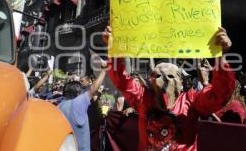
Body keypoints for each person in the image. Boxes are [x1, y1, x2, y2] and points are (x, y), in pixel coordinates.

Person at [103, 26, 235, 151]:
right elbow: (120, 79)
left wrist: (220, 56)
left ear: (180, 83)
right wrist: (113, 50)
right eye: (158, 75)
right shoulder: (143, 98)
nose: (164, 80)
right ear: (150, 79)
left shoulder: (191, 101)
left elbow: (220, 94)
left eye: (170, 76)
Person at [58, 62, 107, 151]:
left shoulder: (59, 106)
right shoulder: (77, 103)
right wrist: (103, 71)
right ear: (78, 93)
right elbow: (93, 89)